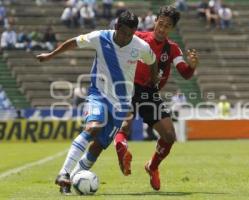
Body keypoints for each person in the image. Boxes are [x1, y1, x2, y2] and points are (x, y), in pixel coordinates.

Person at [74, 6, 199, 191]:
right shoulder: (137, 37)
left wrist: (192, 66)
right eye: (161, 23)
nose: (162, 28)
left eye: (167, 26)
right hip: (128, 89)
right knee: (125, 125)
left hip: (150, 93)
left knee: (170, 136)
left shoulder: (172, 49)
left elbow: (185, 73)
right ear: (155, 21)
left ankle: (152, 166)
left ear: (172, 29)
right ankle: (121, 148)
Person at [36, 10, 158, 194]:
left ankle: (70, 183)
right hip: (98, 94)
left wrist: (154, 79)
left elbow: (153, 60)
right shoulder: (100, 37)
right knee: (93, 127)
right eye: (124, 32)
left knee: (99, 145)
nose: (126, 37)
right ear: (117, 27)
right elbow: (74, 42)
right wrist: (51, 55)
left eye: (131, 34)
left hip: (122, 104)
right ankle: (64, 173)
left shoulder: (139, 45)